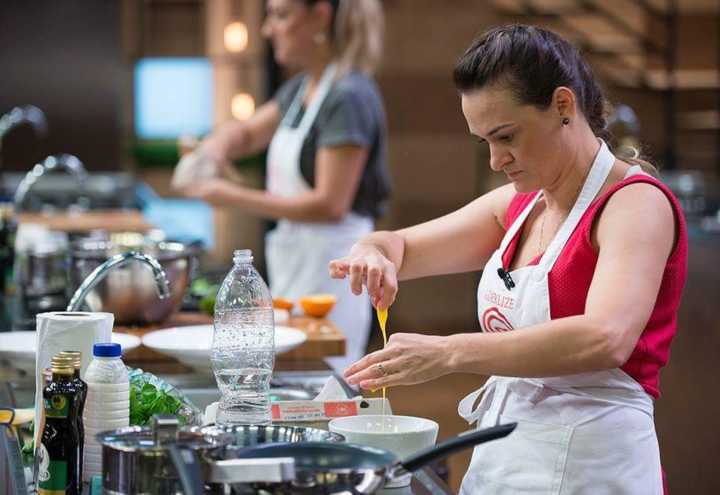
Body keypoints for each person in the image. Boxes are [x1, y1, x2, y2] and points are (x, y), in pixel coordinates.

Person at [329, 25, 687, 494]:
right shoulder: (521, 206)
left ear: (563, 106)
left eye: (506, 136)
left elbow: (605, 337)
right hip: (509, 456)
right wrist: (372, 250)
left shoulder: (635, 204)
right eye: (485, 142)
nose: (497, 160)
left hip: (596, 467)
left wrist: (448, 352)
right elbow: (402, 246)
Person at [177, 0, 391, 371]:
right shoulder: (301, 90)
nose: (267, 29)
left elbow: (330, 203)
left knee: (323, 384)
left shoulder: (348, 97)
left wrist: (221, 193)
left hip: (335, 275)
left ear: (320, 16)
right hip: (297, 264)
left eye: (281, 15)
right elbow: (246, 133)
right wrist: (213, 150)